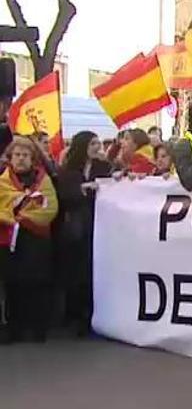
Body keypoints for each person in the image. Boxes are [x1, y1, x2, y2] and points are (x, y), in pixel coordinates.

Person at [0, 136, 59, 343]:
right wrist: (11, 217)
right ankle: (14, 328)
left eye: (25, 155)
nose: (21, 159)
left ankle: (37, 329)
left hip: (36, 239)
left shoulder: (43, 180)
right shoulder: (3, 180)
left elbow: (50, 208)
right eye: (17, 155)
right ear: (10, 157)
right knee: (13, 285)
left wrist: (23, 217)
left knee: (36, 284)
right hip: (10, 241)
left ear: (32, 158)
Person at [56, 131, 112, 336]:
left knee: (93, 271)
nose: (97, 147)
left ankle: (91, 315)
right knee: (76, 272)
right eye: (92, 143)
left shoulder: (104, 167)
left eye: (98, 142)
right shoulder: (69, 169)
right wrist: (83, 188)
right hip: (76, 229)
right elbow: (64, 194)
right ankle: (75, 315)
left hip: (99, 226)